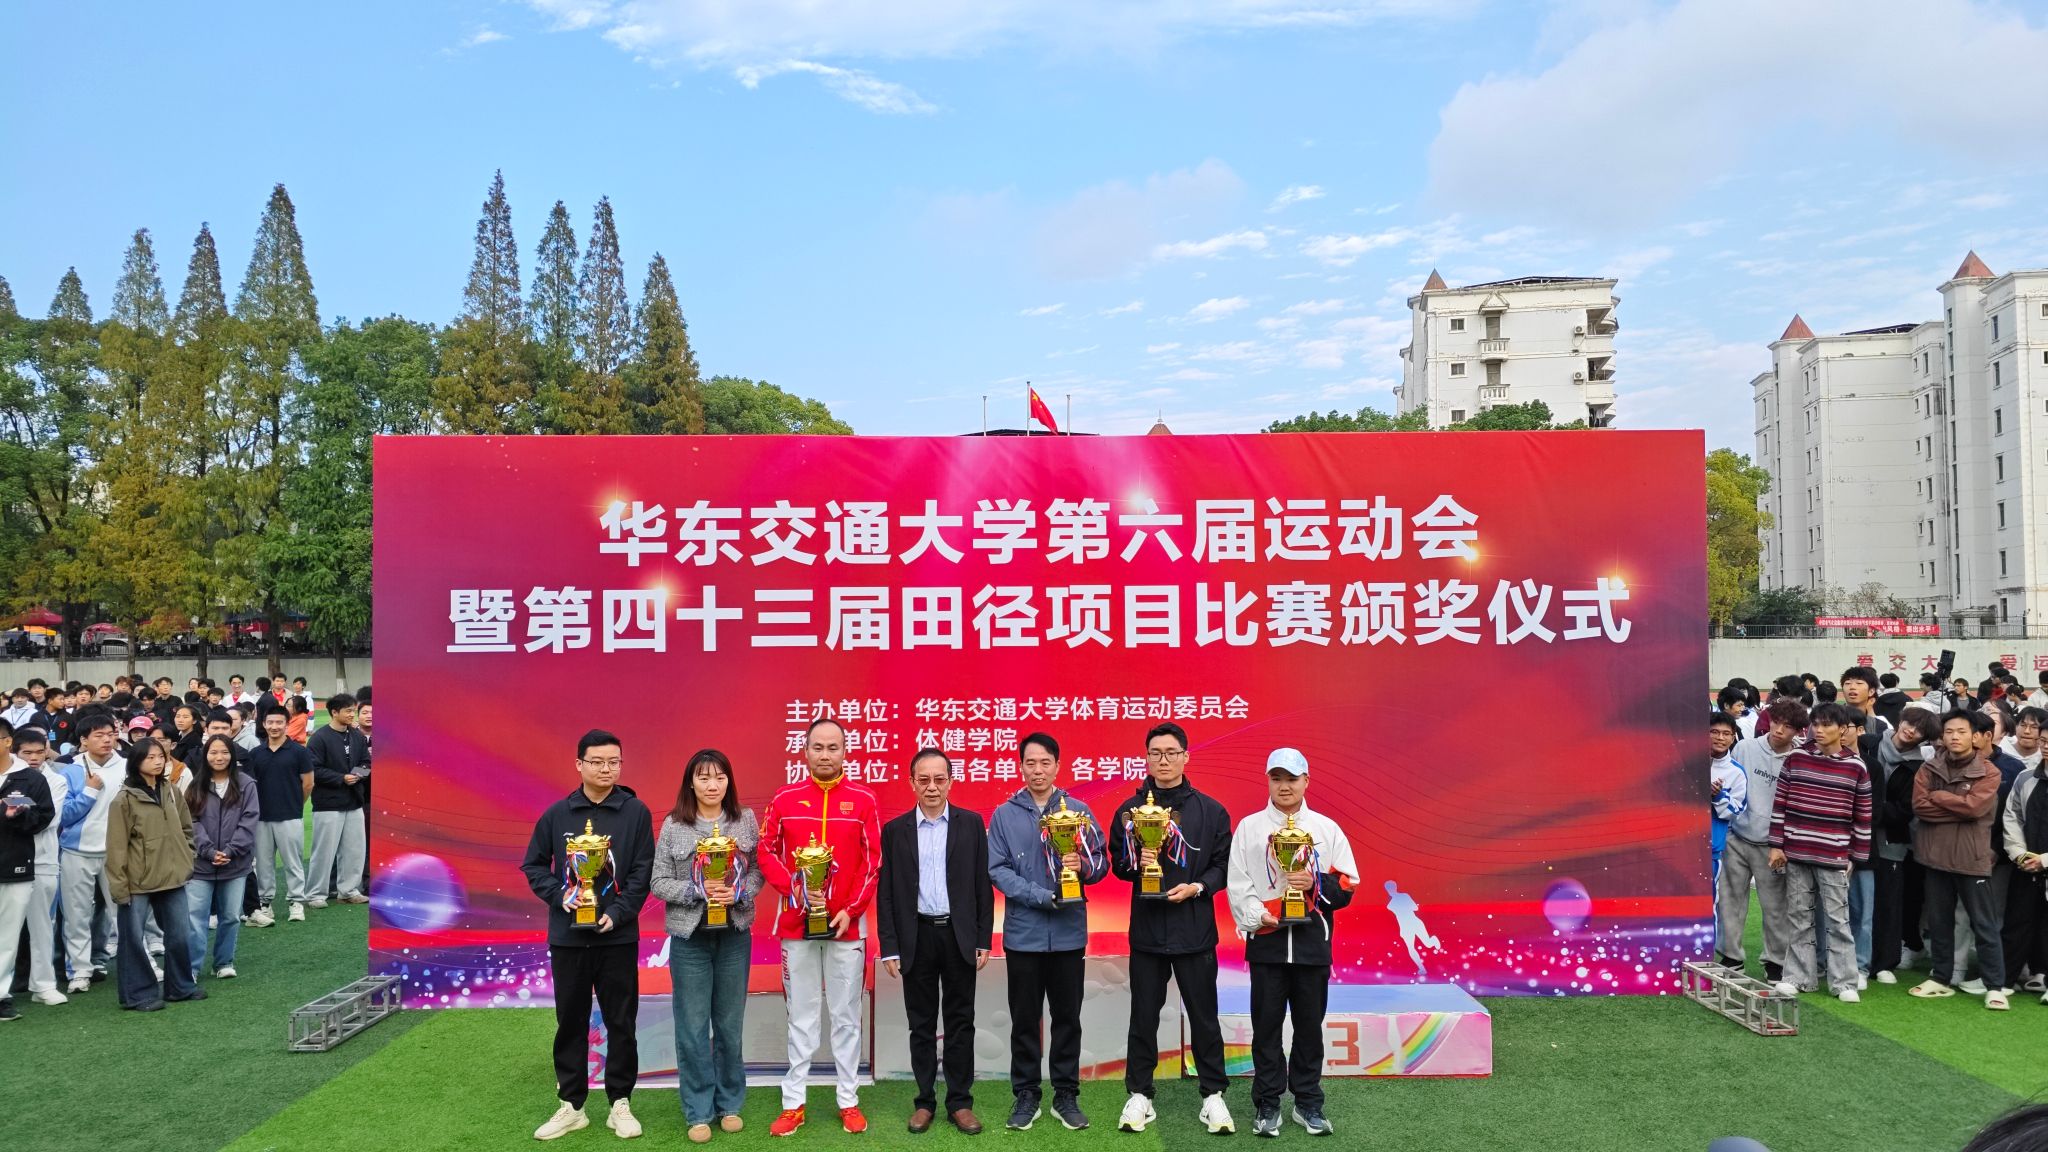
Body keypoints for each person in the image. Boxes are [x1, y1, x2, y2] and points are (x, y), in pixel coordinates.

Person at [520, 728, 655, 1142]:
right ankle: (572, 1105)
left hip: (617, 936)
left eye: (614, 762)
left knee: (621, 1021)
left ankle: (620, 1103)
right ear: (579, 765)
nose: (606, 769)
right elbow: (534, 866)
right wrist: (562, 896)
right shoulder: (557, 815)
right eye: (597, 762)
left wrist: (618, 913)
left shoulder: (635, 812)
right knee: (571, 1021)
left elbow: (642, 872)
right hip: (568, 938)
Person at [756, 717, 883, 1137]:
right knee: (802, 1015)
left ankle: (848, 1099)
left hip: (847, 926)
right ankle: (794, 1102)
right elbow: (765, 850)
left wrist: (851, 909)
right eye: (818, 747)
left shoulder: (863, 800)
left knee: (846, 1015)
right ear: (805, 751)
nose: (825, 755)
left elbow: (873, 861)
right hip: (797, 926)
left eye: (833, 747)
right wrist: (795, 890)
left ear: (845, 752)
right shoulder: (785, 798)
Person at [1108, 722, 1234, 1135]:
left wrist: (1198, 887)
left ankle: (1213, 1095)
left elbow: (1223, 865)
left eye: (1171, 752)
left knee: (1204, 1017)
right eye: (1155, 753)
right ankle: (1140, 1094)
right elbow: (1119, 865)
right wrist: (1137, 860)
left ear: (1185, 757)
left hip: (1194, 929)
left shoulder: (1211, 811)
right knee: (1143, 1016)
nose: (1163, 760)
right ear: (1146, 758)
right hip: (1148, 930)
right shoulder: (1129, 812)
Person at [1226, 748, 1358, 1138]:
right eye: (1277, 778)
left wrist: (1315, 882)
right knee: (1266, 1028)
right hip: (1267, 945)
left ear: (1306, 781)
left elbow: (1348, 884)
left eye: (1292, 778)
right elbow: (1238, 884)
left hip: (1312, 946)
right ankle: (1267, 1103)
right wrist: (1259, 916)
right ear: (1268, 781)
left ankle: (1308, 1103)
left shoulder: (1327, 829)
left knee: (1309, 1029)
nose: (1284, 786)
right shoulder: (1249, 828)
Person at [986, 732, 1108, 1132]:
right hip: (1024, 935)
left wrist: (1082, 866)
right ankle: (1026, 1094)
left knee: (1067, 1018)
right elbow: (997, 870)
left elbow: (1101, 863)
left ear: (1057, 766)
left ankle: (1065, 1095)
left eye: (1045, 763)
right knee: (1025, 1019)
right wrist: (1042, 896)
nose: (1037, 770)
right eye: (1030, 763)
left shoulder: (1079, 811)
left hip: (1069, 934)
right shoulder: (1004, 815)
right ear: (1021, 767)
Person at [878, 749, 993, 1137]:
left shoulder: (971, 824)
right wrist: (890, 945)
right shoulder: (895, 831)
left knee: (961, 1022)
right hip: (917, 936)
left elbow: (982, 886)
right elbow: (887, 893)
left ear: (951, 781)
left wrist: (982, 937)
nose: (932, 787)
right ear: (912, 782)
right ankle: (925, 1102)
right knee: (921, 1024)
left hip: (959, 936)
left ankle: (960, 1102)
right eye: (923, 779)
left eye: (939, 779)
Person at [649, 749, 761, 1144]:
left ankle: (729, 1104)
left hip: (734, 936)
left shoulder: (745, 820)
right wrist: (697, 890)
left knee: (729, 1026)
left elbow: (758, 872)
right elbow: (658, 882)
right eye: (703, 777)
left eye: (719, 777)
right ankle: (698, 1111)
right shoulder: (673, 825)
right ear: (691, 783)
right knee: (693, 1028)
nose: (712, 785)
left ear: (729, 781)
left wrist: (739, 891)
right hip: (690, 940)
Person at [1767, 703, 1872, 1002]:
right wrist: (1776, 844)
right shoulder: (1796, 758)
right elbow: (1780, 804)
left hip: (1834, 855)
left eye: (1827, 725)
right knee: (1799, 917)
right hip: (1797, 851)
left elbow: (1863, 817)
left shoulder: (1856, 767)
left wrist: (1856, 857)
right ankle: (1798, 977)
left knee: (1838, 921)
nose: (1820, 730)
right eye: (1816, 724)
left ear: (1843, 729)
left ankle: (1845, 982)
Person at [1910, 711, 2010, 1009]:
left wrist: (1939, 797)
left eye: (1962, 731)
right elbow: (1919, 807)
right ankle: (1941, 978)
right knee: (1939, 921)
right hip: (1935, 855)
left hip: (1971, 857)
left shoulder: (1989, 771)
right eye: (1950, 731)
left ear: (1975, 737)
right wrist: (1958, 806)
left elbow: (1975, 809)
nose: (1955, 736)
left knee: (1984, 924)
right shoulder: (1929, 767)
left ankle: (1995, 986)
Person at [106, 737, 202, 1011]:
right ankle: (138, 995)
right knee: (133, 940)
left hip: (173, 876)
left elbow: (186, 827)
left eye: (161, 756)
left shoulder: (171, 790)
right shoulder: (123, 800)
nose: (158, 761)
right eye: (150, 757)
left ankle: (180, 987)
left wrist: (187, 856)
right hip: (138, 881)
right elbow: (116, 847)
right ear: (136, 762)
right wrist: (119, 887)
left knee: (179, 935)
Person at [1720, 697, 1807, 981]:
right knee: (1730, 901)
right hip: (1737, 836)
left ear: (1798, 730)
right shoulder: (1744, 747)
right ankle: (1731, 957)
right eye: (1776, 722)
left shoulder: (1800, 758)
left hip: (1773, 845)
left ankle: (1775, 962)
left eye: (1788, 726)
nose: (1779, 730)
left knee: (1775, 907)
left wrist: (1781, 843)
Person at [1862, 707, 1937, 984]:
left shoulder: (1919, 766)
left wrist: (1868, 809)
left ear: (1924, 738)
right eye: (1909, 723)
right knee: (1856, 901)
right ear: (1900, 720)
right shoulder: (1868, 744)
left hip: (1891, 840)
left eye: (1920, 730)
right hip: (1854, 836)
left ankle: (1884, 962)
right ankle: (1852, 959)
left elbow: (1906, 809)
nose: (1911, 730)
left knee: (1888, 902)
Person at [58, 713, 126, 991]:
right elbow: (63, 815)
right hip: (76, 851)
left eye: (110, 734)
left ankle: (139, 963)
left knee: (124, 913)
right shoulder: (70, 771)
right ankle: (79, 971)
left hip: (117, 852)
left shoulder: (127, 766)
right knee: (77, 915)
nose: (107, 740)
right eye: (99, 735)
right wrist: (89, 792)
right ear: (84, 740)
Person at [183, 735, 257, 982]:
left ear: (232, 755)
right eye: (213, 752)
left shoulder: (246, 784)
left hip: (235, 864)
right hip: (201, 865)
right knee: (196, 918)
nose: (219, 757)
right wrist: (208, 850)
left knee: (231, 917)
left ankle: (223, 962)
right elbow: (190, 821)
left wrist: (231, 850)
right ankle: (191, 967)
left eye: (224, 752)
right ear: (206, 755)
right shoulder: (196, 785)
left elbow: (249, 820)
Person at [0, 722, 56, 1022]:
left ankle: (1, 995)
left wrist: (16, 814)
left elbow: (43, 816)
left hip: (15, 863)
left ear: (7, 741)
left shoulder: (29, 779)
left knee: (8, 935)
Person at [12, 727, 69, 1005]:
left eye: (39, 752)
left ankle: (43, 985)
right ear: (14, 751)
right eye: (27, 752)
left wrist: (15, 808)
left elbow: (47, 818)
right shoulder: (8, 777)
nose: (34, 758)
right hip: (8, 859)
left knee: (43, 925)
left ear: (47, 751)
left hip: (43, 860)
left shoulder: (57, 780)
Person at [245, 708, 314, 927]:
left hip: (289, 816)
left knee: (293, 862)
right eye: (270, 722)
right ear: (263, 724)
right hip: (261, 818)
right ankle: (265, 902)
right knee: (263, 863)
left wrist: (294, 804)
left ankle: (296, 901)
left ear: (287, 724)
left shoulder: (299, 752)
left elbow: (308, 784)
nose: (274, 726)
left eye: (279, 722)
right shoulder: (256, 753)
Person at [307, 693, 369, 907]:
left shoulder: (356, 736)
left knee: (354, 850)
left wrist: (358, 774)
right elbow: (313, 769)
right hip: (328, 803)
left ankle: (349, 890)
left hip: (354, 801)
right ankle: (316, 893)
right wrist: (341, 778)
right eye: (348, 711)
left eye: (353, 710)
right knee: (323, 851)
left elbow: (366, 761)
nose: (352, 714)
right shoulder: (319, 737)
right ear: (334, 712)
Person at [2000, 734, 2048, 1000]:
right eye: (2044, 740)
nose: (2046, 746)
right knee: (2017, 922)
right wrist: (2019, 854)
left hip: (2042, 862)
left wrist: (2045, 860)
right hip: (2026, 865)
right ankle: (2006, 979)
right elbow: (2012, 817)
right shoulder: (2025, 777)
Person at [1709, 713, 1747, 958]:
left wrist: (1718, 796)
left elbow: (1735, 812)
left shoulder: (1736, 772)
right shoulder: (1684, 762)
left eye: (1726, 734)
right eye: (1714, 732)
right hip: (1677, 847)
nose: (1720, 738)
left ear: (1733, 738)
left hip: (1710, 850)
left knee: (1707, 904)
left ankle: (1705, 959)